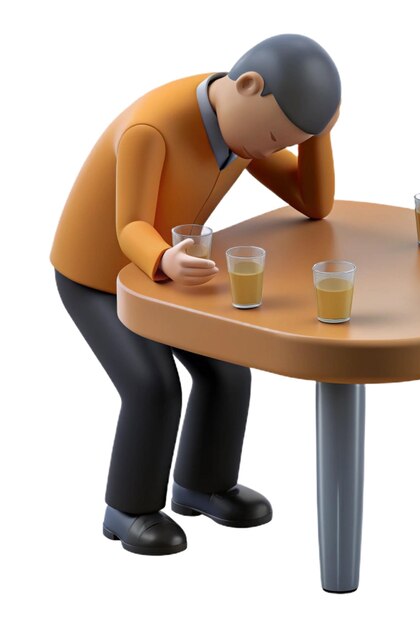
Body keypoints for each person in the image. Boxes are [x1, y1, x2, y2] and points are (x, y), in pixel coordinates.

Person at [50, 34, 341, 556]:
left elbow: (313, 202)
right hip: (98, 276)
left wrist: (315, 138)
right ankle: (128, 509)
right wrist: (163, 258)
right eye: (276, 137)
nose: (271, 151)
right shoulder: (153, 129)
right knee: (153, 386)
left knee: (227, 369)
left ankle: (202, 486)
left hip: (169, 273)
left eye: (284, 144)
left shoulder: (242, 127)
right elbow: (131, 226)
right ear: (250, 87)